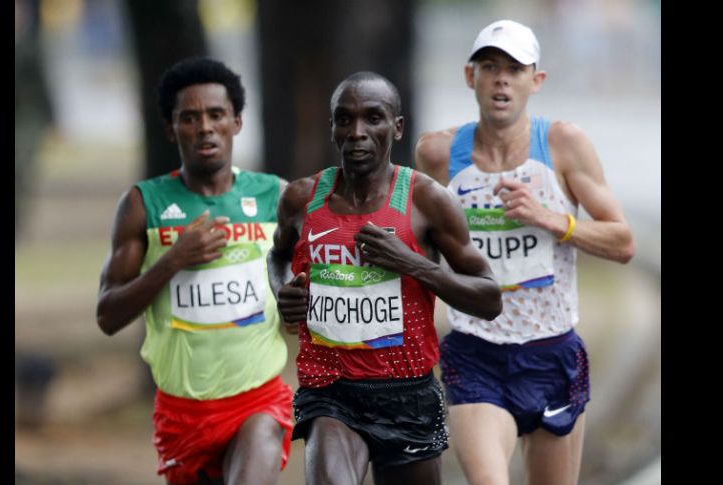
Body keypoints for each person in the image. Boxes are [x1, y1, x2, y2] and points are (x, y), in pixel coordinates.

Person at [415, 19, 635, 485]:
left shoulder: (562, 144)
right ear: (469, 76)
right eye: (489, 66)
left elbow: (623, 241)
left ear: (535, 81)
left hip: (552, 354)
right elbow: (424, 246)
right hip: (475, 353)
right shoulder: (437, 154)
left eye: (514, 68)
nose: (500, 78)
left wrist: (555, 220)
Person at [268, 71, 502, 485]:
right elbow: (278, 257)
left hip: (407, 393)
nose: (357, 132)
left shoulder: (427, 200)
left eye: (372, 118)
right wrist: (283, 291)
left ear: (396, 127)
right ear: (333, 128)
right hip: (329, 391)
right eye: (345, 119)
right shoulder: (302, 199)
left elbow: (488, 298)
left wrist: (414, 264)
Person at [96, 57, 293, 485]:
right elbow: (108, 316)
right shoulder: (141, 205)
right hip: (182, 412)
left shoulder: (273, 196)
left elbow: (296, 271)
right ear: (171, 129)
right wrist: (173, 261)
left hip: (258, 400)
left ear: (236, 122)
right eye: (190, 117)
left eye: (216, 115)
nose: (205, 127)